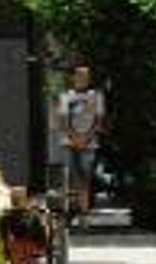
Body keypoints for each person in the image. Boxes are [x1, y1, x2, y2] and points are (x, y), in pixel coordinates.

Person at [57, 65, 105, 220]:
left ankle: (84, 213)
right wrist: (74, 138)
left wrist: (86, 138)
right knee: (71, 177)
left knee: (85, 178)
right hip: (69, 142)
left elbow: (99, 120)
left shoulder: (96, 96)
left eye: (85, 76)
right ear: (73, 77)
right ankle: (69, 212)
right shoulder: (66, 96)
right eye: (79, 75)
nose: (82, 78)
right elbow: (63, 120)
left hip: (89, 143)